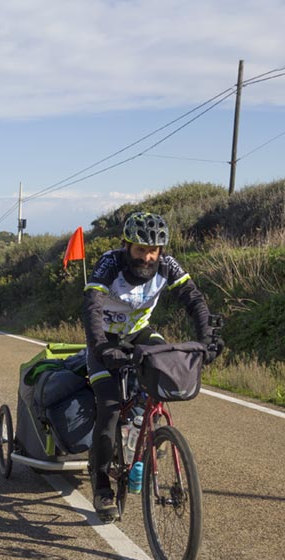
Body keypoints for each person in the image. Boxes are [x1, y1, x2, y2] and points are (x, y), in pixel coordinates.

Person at [81, 211, 219, 521]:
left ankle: (148, 438)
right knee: (110, 407)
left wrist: (207, 339)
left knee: (163, 376)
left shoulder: (167, 266)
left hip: (140, 333)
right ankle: (102, 484)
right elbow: (92, 306)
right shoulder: (110, 264)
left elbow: (194, 299)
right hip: (105, 339)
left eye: (153, 250)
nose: (147, 257)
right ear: (126, 247)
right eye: (140, 249)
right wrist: (101, 347)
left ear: (162, 250)